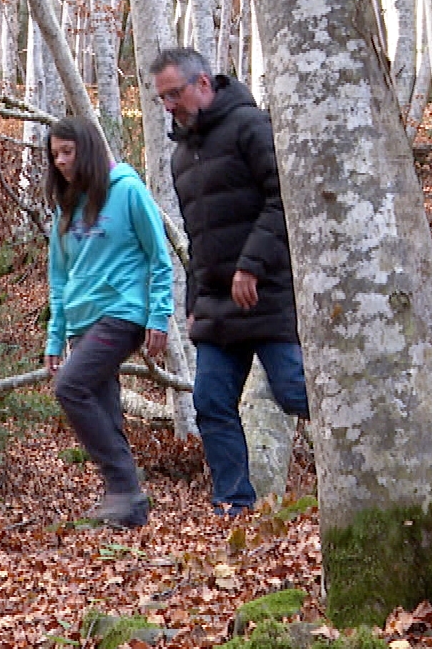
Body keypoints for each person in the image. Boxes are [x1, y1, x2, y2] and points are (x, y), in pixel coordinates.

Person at [152, 48, 310, 518]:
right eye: (161, 98)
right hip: (219, 306)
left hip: (269, 294)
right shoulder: (182, 155)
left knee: (295, 392)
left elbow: (283, 200)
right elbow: (199, 237)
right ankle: (232, 506)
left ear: (203, 83)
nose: (168, 106)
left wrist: (252, 266)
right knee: (212, 404)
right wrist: (196, 300)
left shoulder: (252, 127)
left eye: (174, 94)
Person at [43, 116, 176, 530]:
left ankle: (124, 490)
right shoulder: (66, 209)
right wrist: (55, 336)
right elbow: (59, 279)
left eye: (68, 152)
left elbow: (159, 257)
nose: (62, 162)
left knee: (70, 386)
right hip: (83, 318)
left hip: (123, 311)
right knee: (103, 407)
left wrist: (158, 314)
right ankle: (129, 507)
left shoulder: (128, 191)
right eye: (55, 156)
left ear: (88, 150)